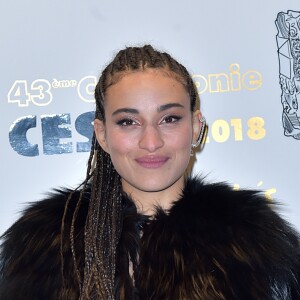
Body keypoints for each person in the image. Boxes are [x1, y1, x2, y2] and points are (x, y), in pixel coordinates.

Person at [0, 45, 299, 300]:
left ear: (196, 127)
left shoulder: (256, 247)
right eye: (128, 122)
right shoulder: (44, 248)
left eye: (169, 118)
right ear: (102, 135)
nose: (151, 142)